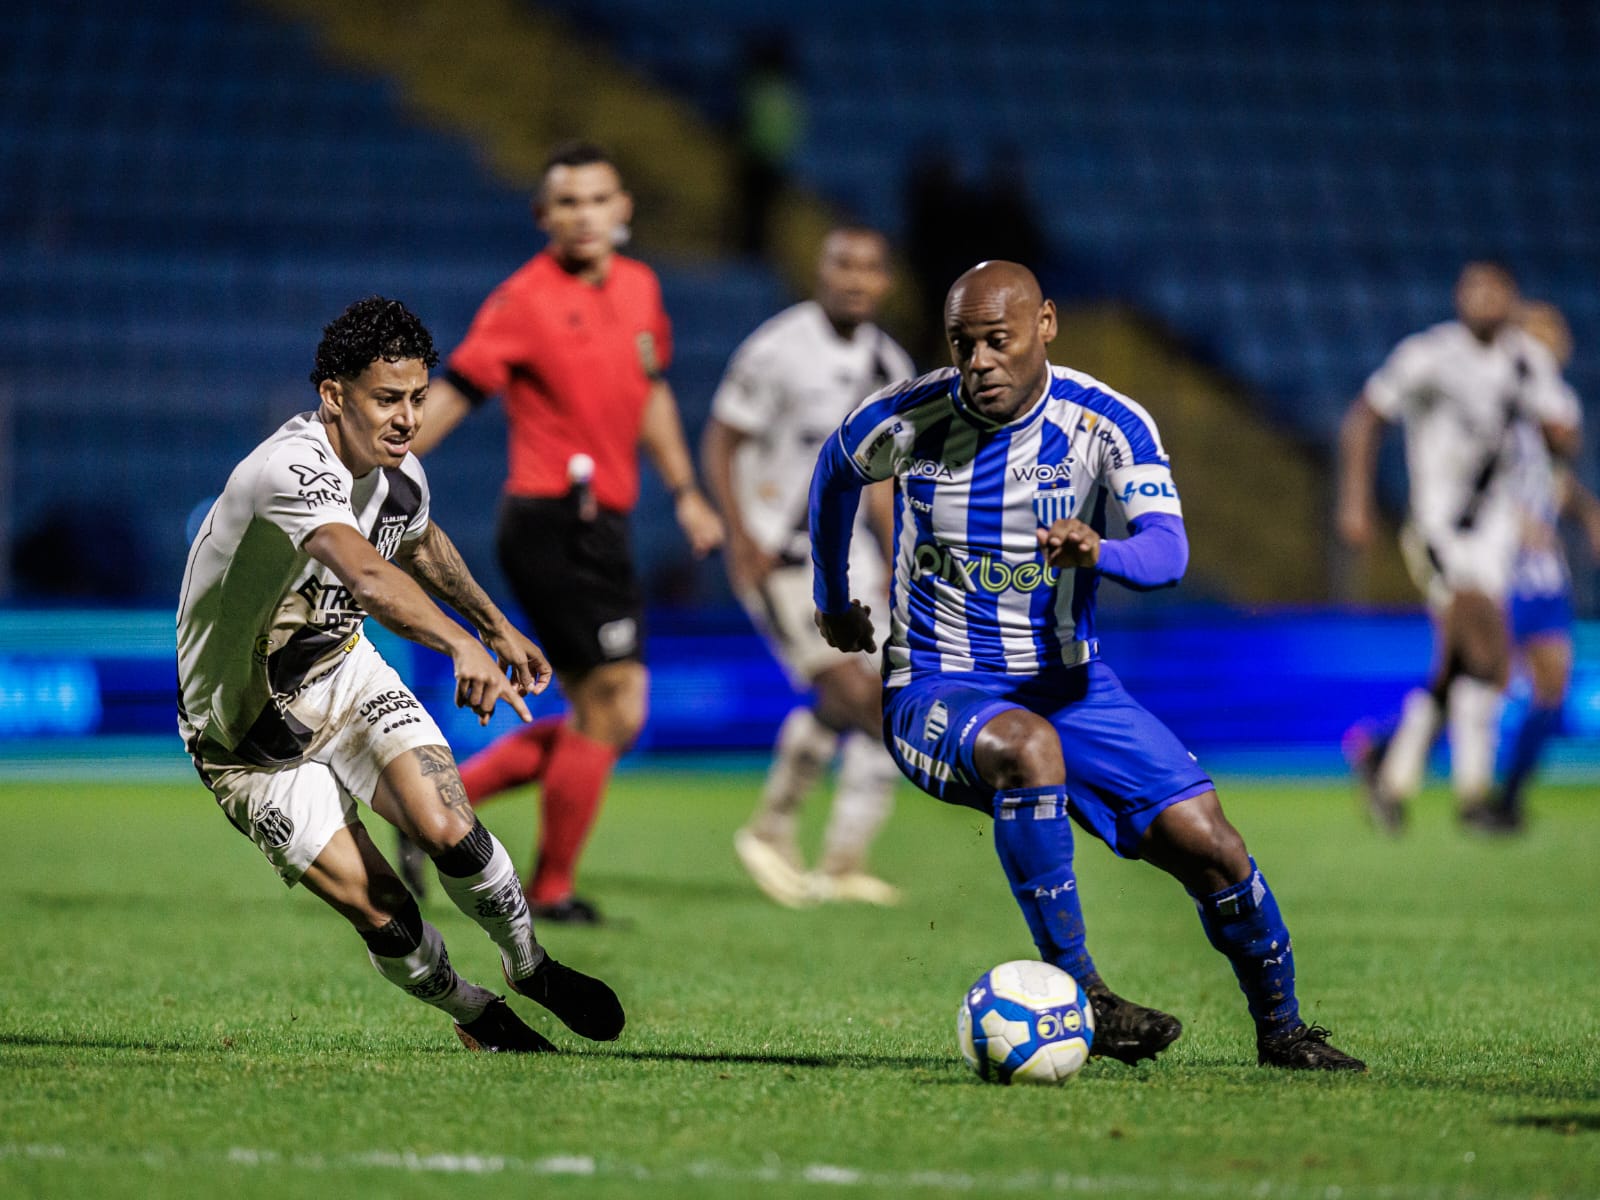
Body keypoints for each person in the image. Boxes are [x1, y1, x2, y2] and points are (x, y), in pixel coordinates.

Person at [810, 260, 1364, 1070]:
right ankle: (1084, 994)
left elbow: (1169, 551)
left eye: (997, 341)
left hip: (1074, 687)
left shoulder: (1107, 423)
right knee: (1027, 748)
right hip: (936, 685)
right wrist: (833, 597)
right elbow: (834, 473)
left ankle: (1283, 1030)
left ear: (1046, 326)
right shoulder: (907, 418)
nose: (978, 363)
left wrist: (1100, 549)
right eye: (962, 345)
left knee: (1210, 841)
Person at [177, 297, 624, 1053]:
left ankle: (530, 966)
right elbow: (365, 572)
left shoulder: (398, 472)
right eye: (387, 399)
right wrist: (458, 645)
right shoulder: (290, 469)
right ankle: (478, 1011)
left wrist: (494, 626)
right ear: (334, 395)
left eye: (418, 398)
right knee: (385, 910)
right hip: (247, 742)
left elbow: (415, 543)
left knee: (451, 827)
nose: (408, 418)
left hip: (343, 674)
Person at [408, 141, 725, 923]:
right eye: (567, 202)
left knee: (606, 717)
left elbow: (649, 394)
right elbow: (456, 391)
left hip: (602, 525)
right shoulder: (523, 300)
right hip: (549, 522)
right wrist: (380, 465)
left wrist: (686, 490)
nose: (584, 215)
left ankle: (428, 811)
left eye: (597, 200)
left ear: (623, 210)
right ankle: (547, 889)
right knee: (614, 708)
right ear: (543, 215)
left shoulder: (643, 288)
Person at [702, 226, 915, 907]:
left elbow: (881, 479)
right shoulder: (777, 348)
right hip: (781, 557)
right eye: (841, 265)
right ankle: (772, 832)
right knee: (864, 700)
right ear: (819, 272)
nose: (854, 279)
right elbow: (721, 438)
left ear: (885, 281)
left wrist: (894, 558)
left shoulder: (892, 366)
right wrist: (738, 535)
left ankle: (838, 860)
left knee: (885, 701)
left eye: (868, 267)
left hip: (854, 561)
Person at [1337, 262, 1581, 832]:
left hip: (1496, 540)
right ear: (1459, 297)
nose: (1483, 299)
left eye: (1494, 290)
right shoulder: (1431, 354)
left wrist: (1549, 427)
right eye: (1473, 289)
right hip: (1440, 529)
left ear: (1511, 299)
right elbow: (1366, 415)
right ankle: (1472, 797)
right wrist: (1355, 502)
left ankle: (1388, 772)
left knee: (1460, 664)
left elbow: (1564, 432)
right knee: (1486, 655)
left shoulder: (1526, 361)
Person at [1477, 300, 1598, 830]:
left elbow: (1552, 481)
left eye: (1556, 330)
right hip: (1501, 568)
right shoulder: (1496, 403)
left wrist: (1588, 513)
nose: (1555, 339)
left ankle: (1508, 801)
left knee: (1553, 687)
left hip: (1545, 572)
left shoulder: (1551, 410)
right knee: (1481, 681)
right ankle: (1386, 750)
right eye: (1542, 331)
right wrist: (1514, 520)